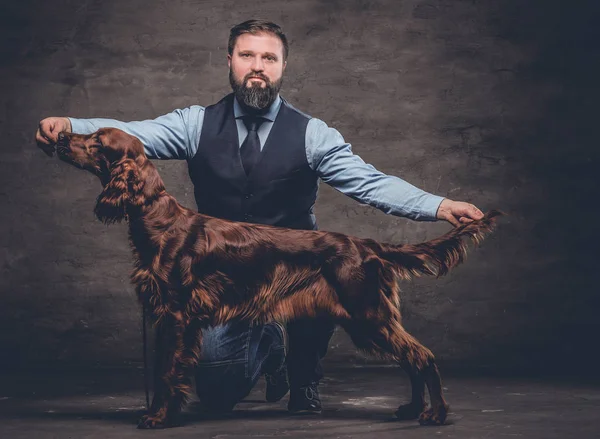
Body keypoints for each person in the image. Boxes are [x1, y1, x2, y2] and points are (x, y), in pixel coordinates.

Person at [36, 19, 484, 414]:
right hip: (222, 275)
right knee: (214, 392)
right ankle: (269, 346)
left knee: (325, 280)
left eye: (269, 57)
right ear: (229, 61)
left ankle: (304, 377)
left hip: (299, 268)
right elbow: (132, 135)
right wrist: (70, 124)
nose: (257, 65)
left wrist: (439, 206)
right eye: (247, 55)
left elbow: (369, 182)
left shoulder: (312, 134)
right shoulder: (194, 123)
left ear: (282, 67)